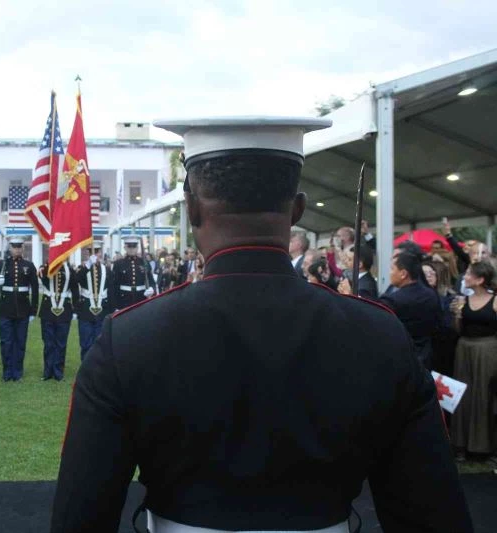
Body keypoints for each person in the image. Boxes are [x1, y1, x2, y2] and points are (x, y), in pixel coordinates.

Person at [51, 116, 472, 532]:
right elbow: (433, 513)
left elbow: (81, 514)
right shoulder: (379, 334)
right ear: (298, 209)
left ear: (191, 207)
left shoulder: (128, 338)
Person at [450, 262, 497, 458]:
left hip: (486, 350)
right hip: (464, 348)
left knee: (483, 394)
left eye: (469, 273)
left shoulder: (494, 300)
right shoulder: (464, 299)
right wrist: (457, 315)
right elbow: (458, 330)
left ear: (480, 279)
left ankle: (483, 446)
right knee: (463, 394)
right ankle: (461, 443)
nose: (465, 276)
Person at [379, 252, 442, 369]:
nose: (390, 273)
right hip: (426, 355)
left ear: (403, 274)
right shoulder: (431, 294)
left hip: (400, 356)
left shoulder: (393, 300)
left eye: (392, 269)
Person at [0, 237, 38, 382]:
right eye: (15, 247)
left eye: (19, 247)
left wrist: (33, 310)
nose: (17, 249)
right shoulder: (2, 264)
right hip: (6, 308)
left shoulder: (29, 265)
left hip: (23, 308)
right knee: (6, 342)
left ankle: (18, 372)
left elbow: (35, 289)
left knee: (20, 342)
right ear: (10, 248)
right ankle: (7, 372)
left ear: (23, 248)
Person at [74, 242, 114, 362]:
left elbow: (111, 290)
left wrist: (112, 310)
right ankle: (86, 368)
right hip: (85, 311)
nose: (94, 254)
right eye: (91, 252)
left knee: (100, 344)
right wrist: (88, 265)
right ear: (87, 253)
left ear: (100, 253)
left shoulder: (107, 270)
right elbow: (76, 280)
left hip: (102, 311)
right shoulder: (82, 268)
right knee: (85, 343)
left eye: (96, 251)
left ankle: (98, 369)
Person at [38, 260, 76, 381]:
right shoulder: (46, 267)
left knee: (61, 343)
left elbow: (75, 289)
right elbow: (42, 276)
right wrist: (50, 263)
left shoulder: (70, 270)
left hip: (65, 310)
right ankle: (48, 371)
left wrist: (75, 309)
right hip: (47, 309)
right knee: (48, 343)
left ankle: (58, 371)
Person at [111, 236, 156, 311]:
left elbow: (151, 281)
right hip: (124, 299)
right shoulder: (118, 264)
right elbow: (115, 285)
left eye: (134, 247)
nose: (132, 249)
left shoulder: (144, 262)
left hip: (141, 298)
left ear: (137, 248)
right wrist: (115, 306)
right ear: (125, 248)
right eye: (129, 247)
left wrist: (152, 289)